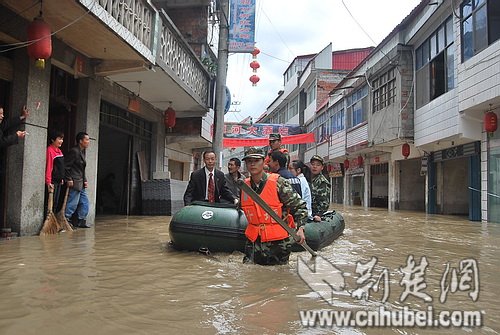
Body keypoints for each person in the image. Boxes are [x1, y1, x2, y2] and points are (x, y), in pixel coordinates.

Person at [240, 147, 307, 265]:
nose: (252, 164)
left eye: (256, 160)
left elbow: (300, 206)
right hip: (254, 242)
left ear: (263, 162)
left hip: (278, 244)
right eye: (249, 161)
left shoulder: (279, 183)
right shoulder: (244, 186)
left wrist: (301, 228)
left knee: (277, 278)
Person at [65, 132, 91, 228]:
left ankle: (80, 221)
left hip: (81, 182)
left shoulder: (82, 152)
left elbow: (82, 169)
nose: (88, 142)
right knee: (72, 203)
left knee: (85, 203)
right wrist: (69, 179)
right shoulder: (74, 151)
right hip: (74, 182)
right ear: (80, 141)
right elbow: (66, 166)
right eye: (87, 140)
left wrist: (85, 180)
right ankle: (66, 220)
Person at [45, 130, 65, 212]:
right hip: (52, 181)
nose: (61, 141)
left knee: (56, 202)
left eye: (62, 139)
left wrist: (62, 178)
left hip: (59, 181)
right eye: (59, 139)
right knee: (50, 203)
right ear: (53, 140)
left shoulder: (59, 151)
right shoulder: (49, 150)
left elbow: (61, 167)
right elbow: (49, 167)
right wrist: (48, 182)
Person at [309, 155, 331, 222]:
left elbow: (325, 202)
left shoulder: (322, 181)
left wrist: (319, 215)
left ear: (322, 167)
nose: (314, 167)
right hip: (309, 212)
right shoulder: (309, 179)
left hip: (316, 214)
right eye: (313, 164)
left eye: (318, 165)